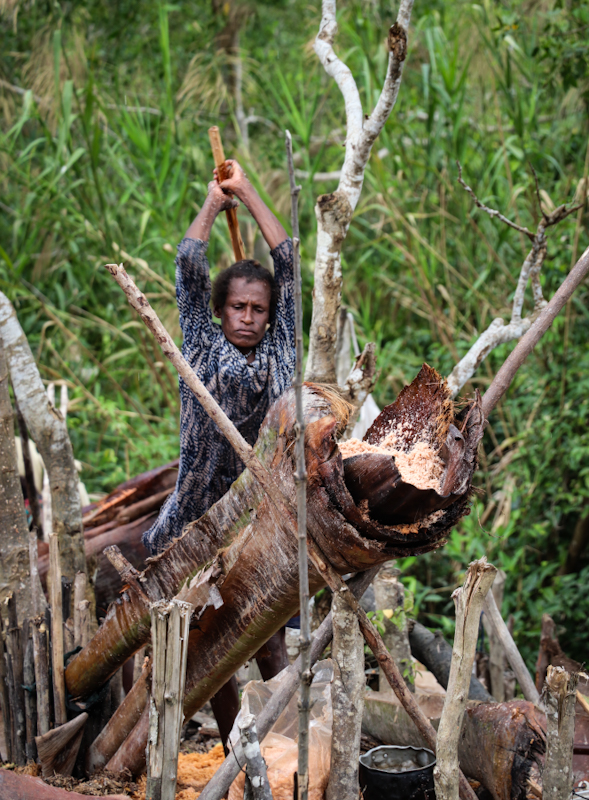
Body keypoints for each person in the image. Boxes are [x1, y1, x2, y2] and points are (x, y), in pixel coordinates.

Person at [142, 159, 295, 747]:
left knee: (270, 632)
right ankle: (239, 754)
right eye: (239, 307)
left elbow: (289, 263)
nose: (250, 318)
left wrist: (252, 192)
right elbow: (187, 265)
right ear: (221, 309)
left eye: (259, 309)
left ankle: (284, 747)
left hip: (260, 520)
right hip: (198, 522)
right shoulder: (201, 342)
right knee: (212, 639)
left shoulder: (284, 345)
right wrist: (213, 203)